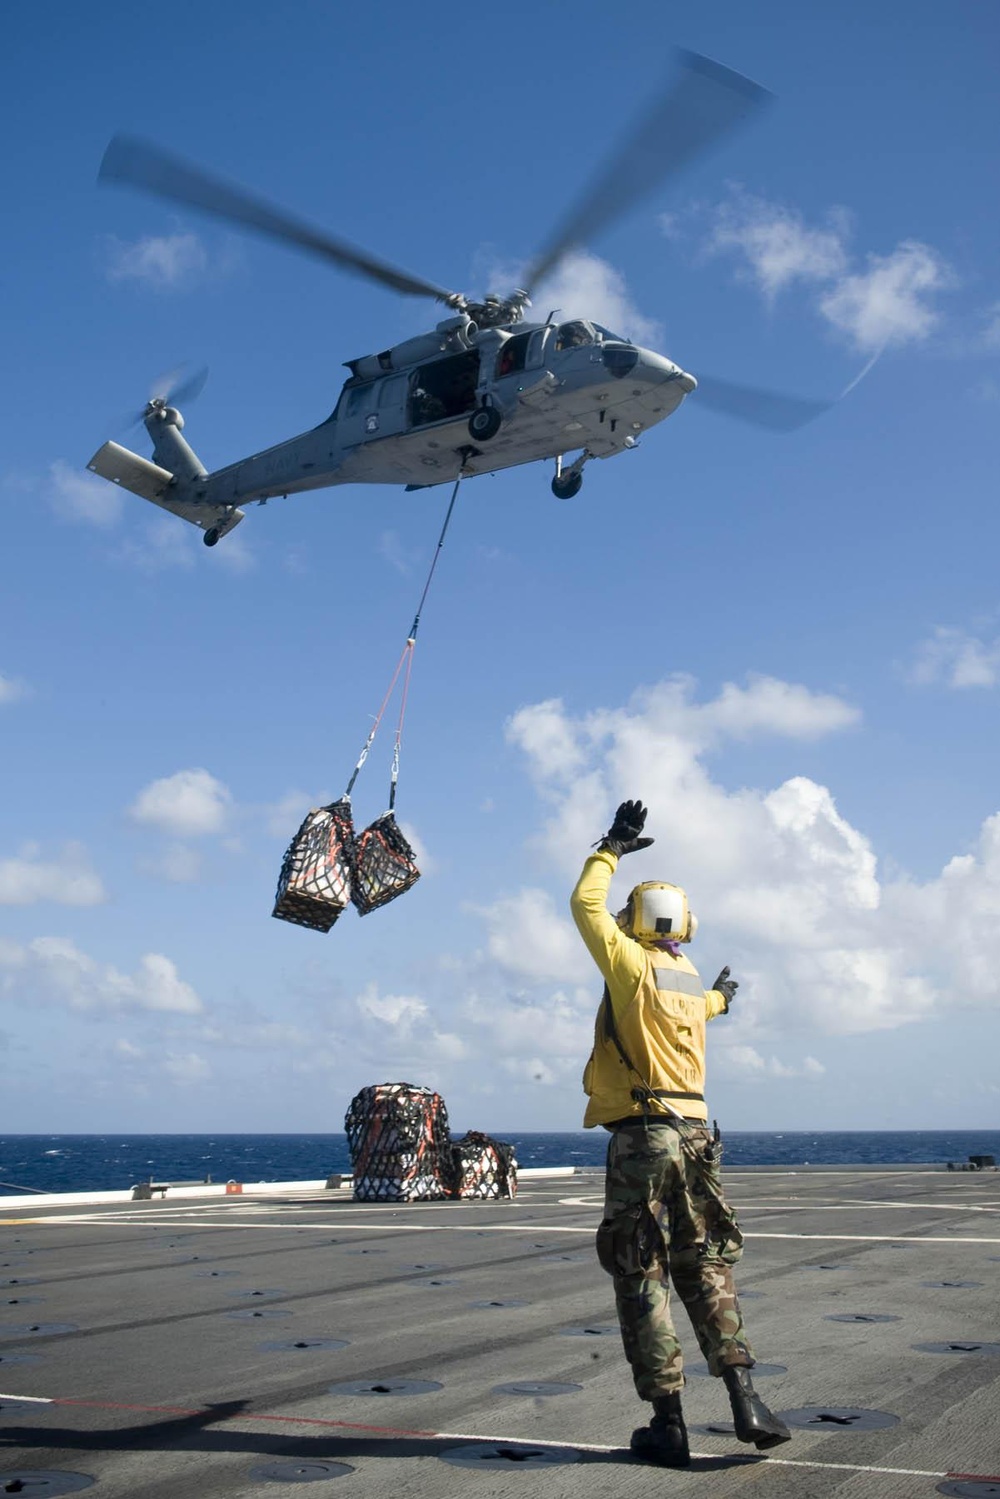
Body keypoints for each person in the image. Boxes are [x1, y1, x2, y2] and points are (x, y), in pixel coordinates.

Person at [571, 798, 791, 1468]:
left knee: (642, 1271)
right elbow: (704, 1011)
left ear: (634, 921)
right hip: (698, 1138)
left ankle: (668, 1422)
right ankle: (745, 1394)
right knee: (707, 1265)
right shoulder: (689, 980)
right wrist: (724, 995)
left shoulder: (632, 966)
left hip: (644, 1136)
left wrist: (610, 846)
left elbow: (584, 906)